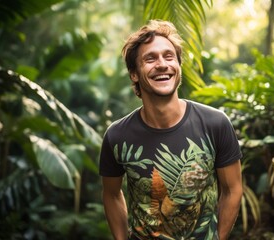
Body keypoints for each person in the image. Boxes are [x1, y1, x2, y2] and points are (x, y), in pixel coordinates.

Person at [99, 19, 243, 240]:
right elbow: (111, 194)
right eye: (150, 58)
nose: (162, 64)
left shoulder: (215, 123)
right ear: (134, 74)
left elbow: (232, 190)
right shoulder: (117, 136)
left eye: (169, 56)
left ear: (178, 66)